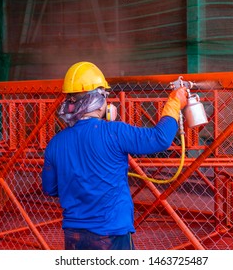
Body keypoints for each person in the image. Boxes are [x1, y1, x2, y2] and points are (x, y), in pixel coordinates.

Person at [41, 61, 187, 250]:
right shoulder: (115, 132)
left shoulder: (55, 142)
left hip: (74, 234)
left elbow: (50, 189)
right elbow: (160, 139)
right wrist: (175, 103)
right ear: (98, 99)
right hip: (111, 232)